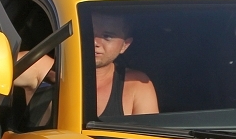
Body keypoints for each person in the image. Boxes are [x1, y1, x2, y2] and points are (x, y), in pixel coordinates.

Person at [15, 11, 157, 119]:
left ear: (124, 45)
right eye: (88, 32)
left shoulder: (136, 85)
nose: (94, 42)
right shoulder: (44, 68)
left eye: (107, 36)